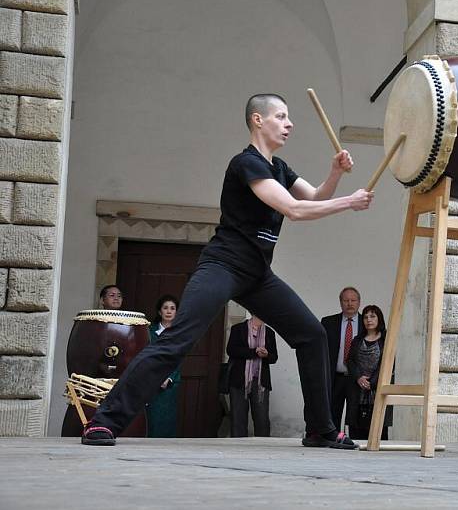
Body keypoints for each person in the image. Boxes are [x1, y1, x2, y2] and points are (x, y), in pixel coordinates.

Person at [80, 93, 373, 449]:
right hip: (223, 264)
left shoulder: (279, 168)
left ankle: (319, 429)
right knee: (178, 338)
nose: (289, 123)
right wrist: (349, 202)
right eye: (281, 116)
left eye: (289, 117)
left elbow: (312, 196)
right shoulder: (246, 163)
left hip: (257, 274)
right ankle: (103, 421)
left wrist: (335, 173)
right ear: (257, 120)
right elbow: (295, 210)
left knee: (311, 334)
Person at [226, 315, 278, 437]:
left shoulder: (269, 332)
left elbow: (274, 357)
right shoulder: (238, 329)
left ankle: (263, 449)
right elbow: (231, 350)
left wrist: (266, 354)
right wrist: (254, 352)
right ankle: (237, 449)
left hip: (260, 382)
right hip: (239, 380)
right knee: (238, 417)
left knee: (262, 418)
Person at [321, 287, 365, 431]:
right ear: (340, 302)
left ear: (359, 302)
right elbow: (321, 350)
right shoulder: (328, 323)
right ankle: (333, 441)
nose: (349, 304)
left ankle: (355, 444)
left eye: (353, 300)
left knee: (356, 417)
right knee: (333, 414)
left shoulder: (367, 324)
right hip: (336, 377)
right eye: (346, 300)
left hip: (357, 379)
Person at [346, 304, 392, 440]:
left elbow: (388, 364)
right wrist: (359, 378)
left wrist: (371, 383)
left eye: (372, 316)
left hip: (377, 389)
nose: (368, 320)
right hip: (357, 389)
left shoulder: (386, 340)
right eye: (365, 317)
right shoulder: (357, 340)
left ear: (379, 319)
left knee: (378, 430)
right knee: (356, 430)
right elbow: (350, 361)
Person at [145, 295, 181, 438]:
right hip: (151, 381)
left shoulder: (179, 332)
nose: (169, 311)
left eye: (172, 308)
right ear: (160, 312)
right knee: (152, 419)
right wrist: (157, 377)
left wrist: (169, 377)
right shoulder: (149, 331)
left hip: (170, 384)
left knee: (168, 421)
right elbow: (146, 356)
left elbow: (179, 358)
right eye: (165, 308)